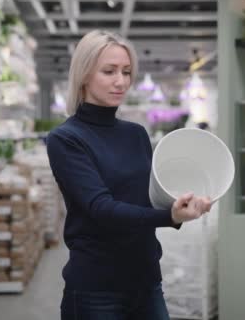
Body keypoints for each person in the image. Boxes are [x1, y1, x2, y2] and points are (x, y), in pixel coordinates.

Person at [46, 29, 213, 320]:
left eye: (126, 71)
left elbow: (146, 199)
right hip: (95, 289)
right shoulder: (66, 139)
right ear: (84, 74)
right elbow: (100, 208)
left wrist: (182, 201)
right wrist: (169, 217)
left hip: (146, 281)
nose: (121, 81)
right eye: (109, 71)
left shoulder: (135, 134)